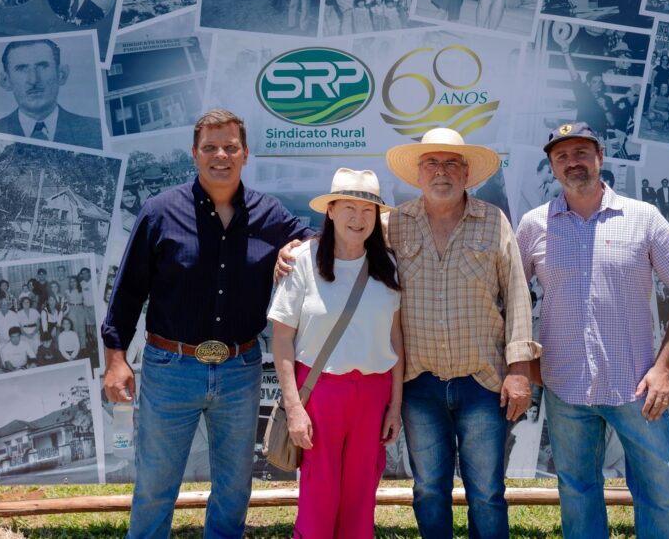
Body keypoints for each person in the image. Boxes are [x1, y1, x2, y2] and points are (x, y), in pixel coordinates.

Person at [102, 108, 313, 539]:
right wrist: (116, 360)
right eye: (210, 147)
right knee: (156, 485)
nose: (221, 156)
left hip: (240, 368)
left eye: (230, 147)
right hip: (170, 369)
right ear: (194, 154)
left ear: (245, 154)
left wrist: (295, 248)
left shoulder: (269, 214)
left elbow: (317, 242)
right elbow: (127, 291)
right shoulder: (160, 212)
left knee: (234, 488)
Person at [516, 121, 669, 539]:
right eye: (562, 156)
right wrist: (524, 363)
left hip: (637, 386)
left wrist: (664, 369)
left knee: (661, 488)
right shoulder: (533, 225)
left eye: (581, 152)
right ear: (552, 167)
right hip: (564, 385)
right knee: (577, 491)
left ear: (600, 157)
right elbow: (509, 297)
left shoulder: (642, 217)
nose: (573, 162)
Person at [383, 127, 538, 538]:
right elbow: (344, 237)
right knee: (428, 489)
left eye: (452, 163)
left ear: (467, 173)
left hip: (482, 381)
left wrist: (519, 371)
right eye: (432, 163)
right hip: (419, 383)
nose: (442, 171)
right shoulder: (392, 224)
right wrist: (298, 249)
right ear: (418, 174)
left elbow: (517, 295)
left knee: (487, 491)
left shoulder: (493, 221)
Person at [268, 168, 404, 539]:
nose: (358, 218)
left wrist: (395, 406)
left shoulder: (388, 266)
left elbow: (395, 339)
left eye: (367, 210)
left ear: (377, 217)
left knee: (361, 496)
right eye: (349, 208)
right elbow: (281, 340)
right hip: (320, 393)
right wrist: (294, 408)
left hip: (373, 395)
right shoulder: (302, 260)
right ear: (330, 211)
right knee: (319, 495)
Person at [0, 39, 103, 149]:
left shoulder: (97, 132)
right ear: (5, 81)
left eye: (43, 66)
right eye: (21, 68)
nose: (33, 80)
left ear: (61, 74)